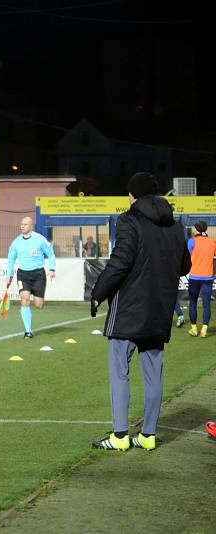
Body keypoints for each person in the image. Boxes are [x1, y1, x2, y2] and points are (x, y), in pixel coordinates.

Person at [90, 172, 190, 451]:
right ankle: (148, 435)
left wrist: (98, 293)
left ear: (132, 195)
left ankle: (120, 436)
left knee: (120, 371)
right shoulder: (175, 225)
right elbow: (185, 266)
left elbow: (120, 263)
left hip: (130, 309)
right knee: (153, 373)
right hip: (159, 309)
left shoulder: (129, 220)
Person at [6, 217, 57, 339]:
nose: (22, 226)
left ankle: (38, 300)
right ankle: (28, 331)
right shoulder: (16, 242)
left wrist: (52, 269)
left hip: (38, 274)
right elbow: (11, 259)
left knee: (39, 304)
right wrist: (9, 275)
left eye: (25, 224)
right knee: (24, 299)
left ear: (31, 226)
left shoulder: (40, 240)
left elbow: (51, 254)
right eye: (21, 224)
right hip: (23, 275)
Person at [184, 221, 216, 338]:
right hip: (208, 277)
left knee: (193, 303)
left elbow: (189, 256)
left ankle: (194, 329)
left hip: (194, 277)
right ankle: (204, 329)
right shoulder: (212, 242)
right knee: (207, 304)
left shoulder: (192, 241)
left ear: (197, 230)